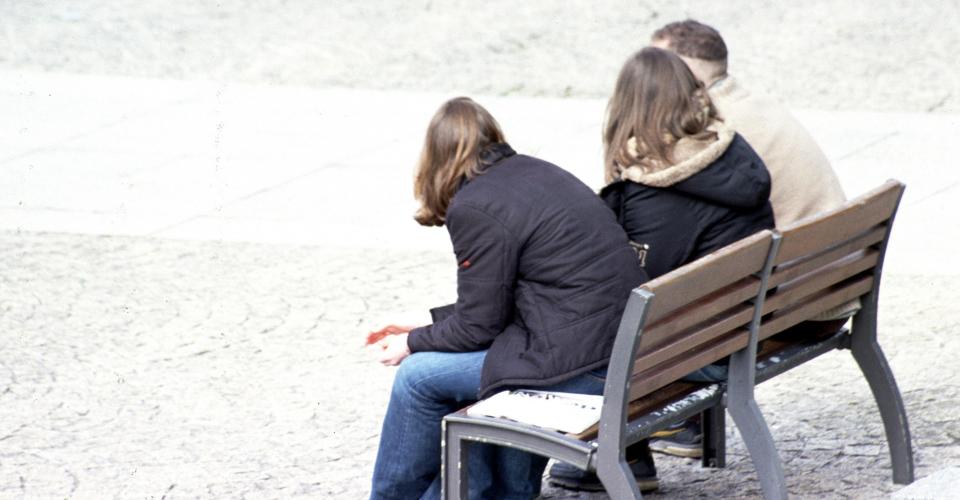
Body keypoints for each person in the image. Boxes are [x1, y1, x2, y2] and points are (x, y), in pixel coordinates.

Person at [368, 97, 646, 499]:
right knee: (464, 373)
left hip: (582, 365)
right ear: (492, 136)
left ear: (434, 159)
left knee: (418, 377)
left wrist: (411, 343)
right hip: (615, 347)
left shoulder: (474, 206)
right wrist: (423, 321)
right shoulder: (538, 171)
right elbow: (502, 303)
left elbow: (478, 327)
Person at [547, 46, 775, 493]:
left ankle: (617, 457)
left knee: (582, 326)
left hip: (701, 349)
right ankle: (634, 455)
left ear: (626, 108)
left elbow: (631, 289)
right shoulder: (730, 153)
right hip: (745, 327)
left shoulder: (655, 190)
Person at [647, 18, 857, 458]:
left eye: (660, 66)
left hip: (791, 307)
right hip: (835, 286)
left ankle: (646, 440)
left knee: (628, 314)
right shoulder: (754, 101)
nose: (651, 78)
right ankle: (670, 431)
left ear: (688, 70)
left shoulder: (708, 127)